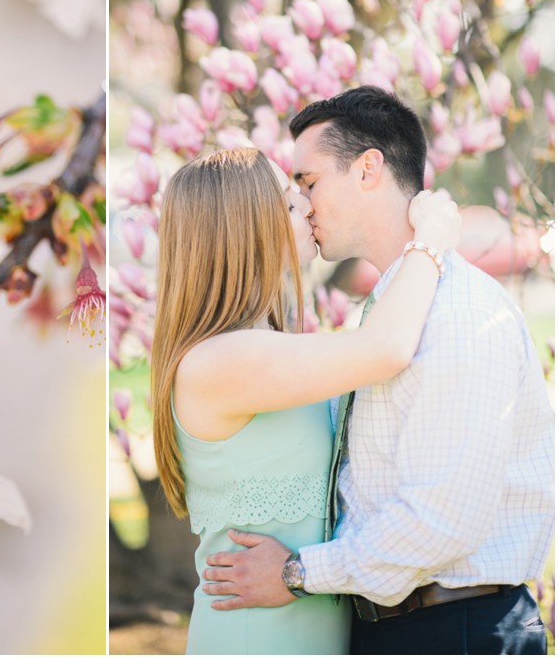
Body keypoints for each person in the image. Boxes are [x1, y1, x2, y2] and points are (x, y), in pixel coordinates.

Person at [200, 87, 555, 655]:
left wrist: (297, 572)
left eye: (309, 183)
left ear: (368, 170)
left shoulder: (457, 314)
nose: (304, 205)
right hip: (397, 626)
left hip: (453, 630)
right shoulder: (396, 310)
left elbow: (441, 521)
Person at [151, 145, 461, 654]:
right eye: (291, 203)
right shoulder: (219, 362)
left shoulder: (261, 345)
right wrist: (430, 241)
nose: (309, 207)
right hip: (256, 638)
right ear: (246, 229)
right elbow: (385, 349)